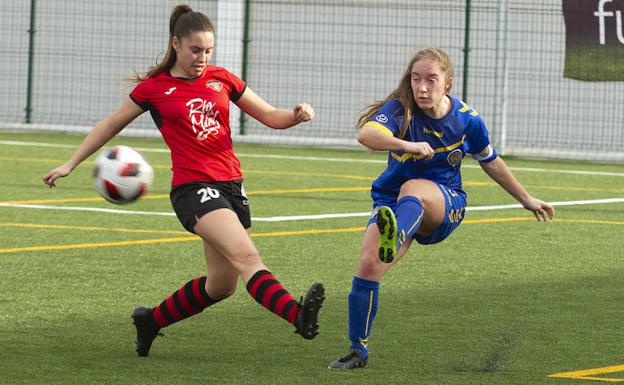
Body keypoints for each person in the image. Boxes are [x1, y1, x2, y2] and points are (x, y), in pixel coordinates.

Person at [42, 4, 325, 357]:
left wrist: (296, 115)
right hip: (194, 189)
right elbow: (110, 125)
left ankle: (151, 320)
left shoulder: (222, 78)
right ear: (176, 44)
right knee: (247, 256)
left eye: (208, 50)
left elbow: (270, 115)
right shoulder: (155, 89)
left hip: (232, 186)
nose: (202, 57)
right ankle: (296, 315)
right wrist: (71, 163)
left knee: (221, 286)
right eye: (195, 50)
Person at [328, 47, 555, 369]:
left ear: (447, 82)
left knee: (414, 189)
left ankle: (395, 233)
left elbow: (490, 160)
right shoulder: (400, 109)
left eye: (431, 80)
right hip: (391, 202)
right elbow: (367, 134)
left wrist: (526, 199)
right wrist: (406, 144)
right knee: (368, 266)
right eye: (416, 79)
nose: (421, 87)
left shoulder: (467, 119)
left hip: (445, 202)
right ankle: (357, 349)